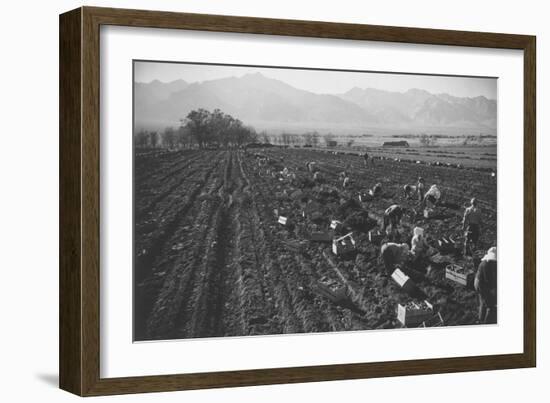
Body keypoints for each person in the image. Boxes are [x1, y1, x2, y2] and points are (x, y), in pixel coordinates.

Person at [474, 247, 497, 324]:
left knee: (483, 302)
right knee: (490, 306)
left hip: (478, 283)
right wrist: (492, 290)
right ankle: (487, 322)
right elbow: (488, 279)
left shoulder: (485, 262)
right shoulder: (487, 265)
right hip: (482, 285)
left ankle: (480, 319)